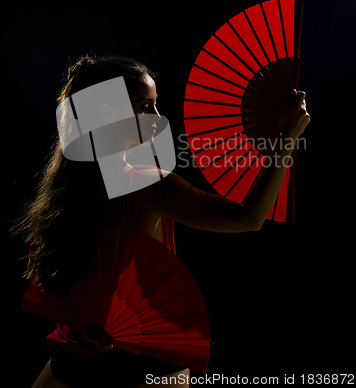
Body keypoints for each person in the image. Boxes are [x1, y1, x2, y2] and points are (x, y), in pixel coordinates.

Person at [18, 54, 310, 387]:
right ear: (108, 112)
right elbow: (249, 218)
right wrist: (286, 140)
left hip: (77, 360)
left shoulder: (61, 191)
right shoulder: (146, 186)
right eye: (145, 106)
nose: (158, 118)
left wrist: (85, 326)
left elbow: (53, 281)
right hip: (138, 365)